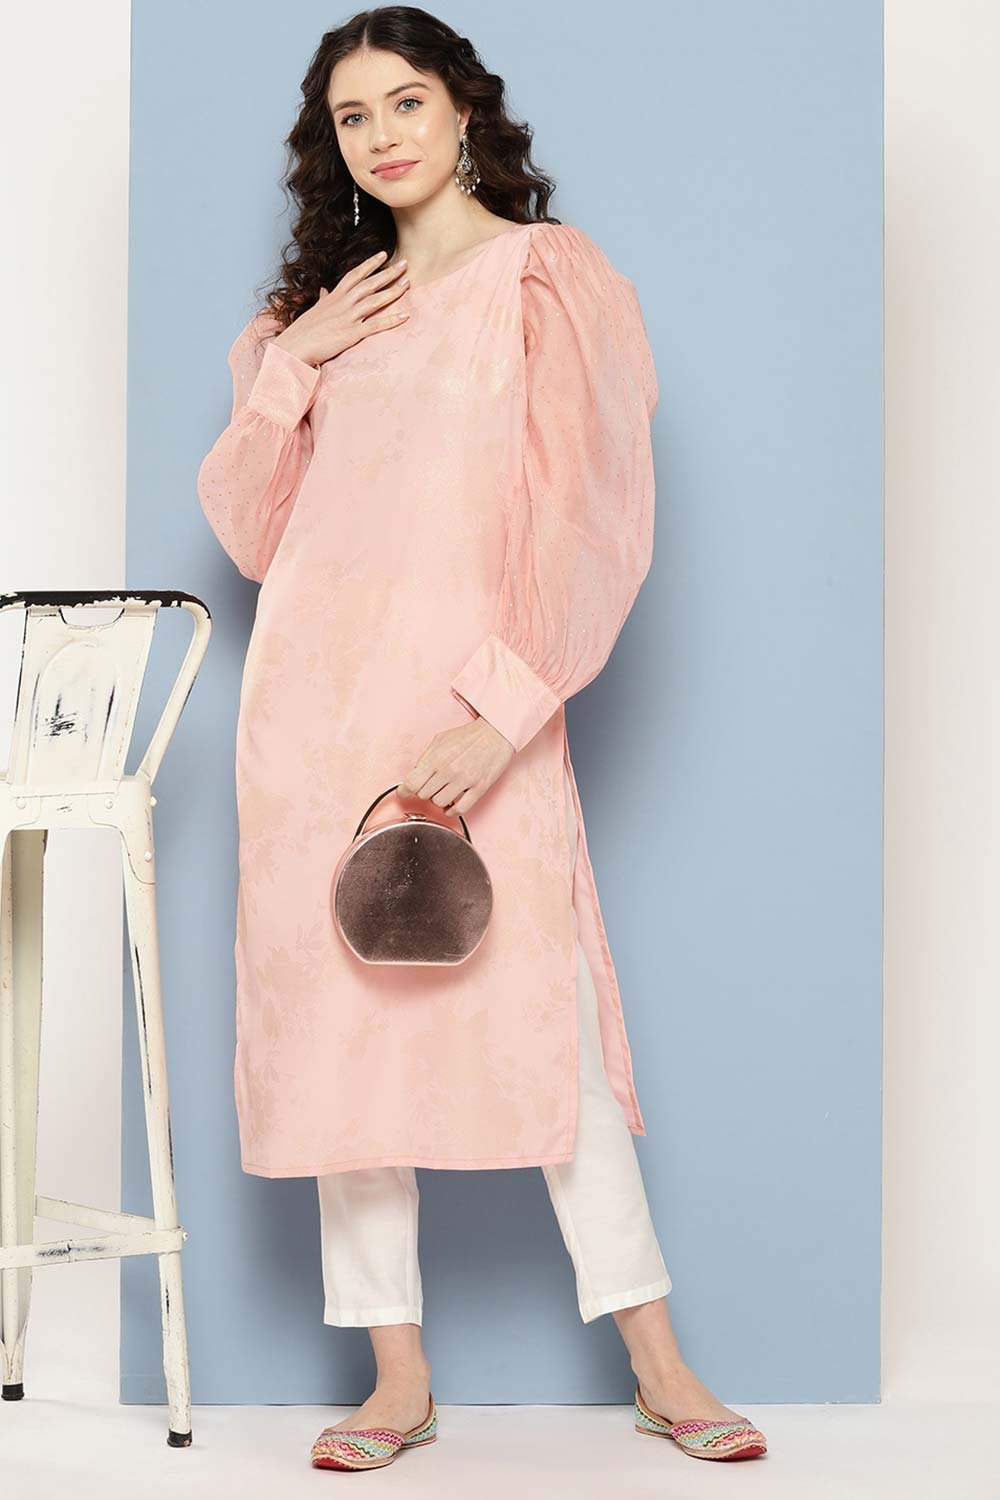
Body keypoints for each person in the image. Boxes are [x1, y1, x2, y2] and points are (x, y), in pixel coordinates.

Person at [197, 5, 767, 1473]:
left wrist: (503, 708)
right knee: (340, 1045)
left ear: (464, 111)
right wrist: (292, 363)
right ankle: (396, 1380)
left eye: (406, 101)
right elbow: (256, 538)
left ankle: (662, 1366)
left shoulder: (547, 282)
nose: (381, 135)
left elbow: (596, 515)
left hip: (469, 715)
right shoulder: (307, 318)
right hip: (311, 728)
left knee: (544, 1028)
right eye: (352, 116)